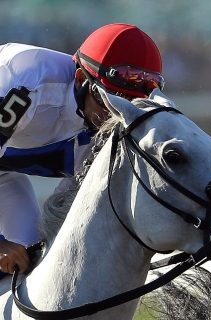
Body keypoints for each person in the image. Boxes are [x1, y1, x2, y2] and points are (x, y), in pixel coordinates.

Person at [0, 23, 164, 275]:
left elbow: (67, 216)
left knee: (29, 259)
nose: (115, 116)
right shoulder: (27, 82)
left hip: (4, 171)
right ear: (80, 80)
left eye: (128, 104)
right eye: (108, 99)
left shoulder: (113, 124)